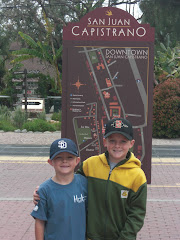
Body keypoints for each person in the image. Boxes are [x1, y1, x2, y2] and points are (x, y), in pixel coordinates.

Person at [33, 118, 147, 240]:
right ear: (104, 141)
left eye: (123, 141)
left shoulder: (137, 176)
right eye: (112, 140)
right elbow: (67, 182)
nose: (117, 145)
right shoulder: (90, 165)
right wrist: (44, 192)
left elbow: (137, 215)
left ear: (131, 143)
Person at [31, 138, 88, 240]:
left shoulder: (84, 183)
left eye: (70, 157)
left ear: (77, 161)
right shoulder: (44, 190)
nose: (64, 161)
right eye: (58, 157)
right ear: (50, 162)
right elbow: (39, 221)